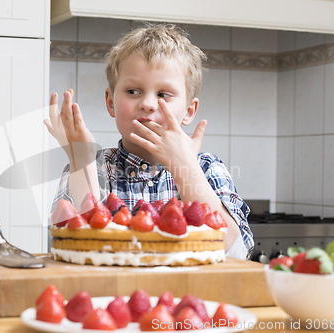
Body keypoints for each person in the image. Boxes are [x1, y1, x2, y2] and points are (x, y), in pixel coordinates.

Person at [44, 23, 253, 259]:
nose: (148, 104)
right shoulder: (94, 166)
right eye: (133, 91)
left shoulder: (207, 169)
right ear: (111, 102)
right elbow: (77, 249)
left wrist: (185, 168)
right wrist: (81, 159)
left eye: (163, 94)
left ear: (189, 111)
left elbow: (236, 254)